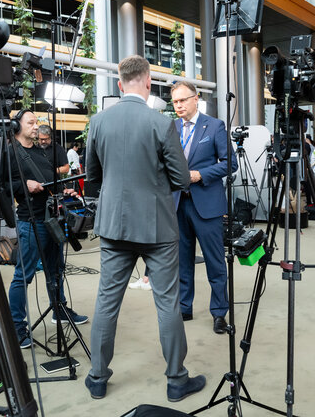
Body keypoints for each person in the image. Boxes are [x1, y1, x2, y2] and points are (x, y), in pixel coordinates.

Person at [84, 55, 204, 401]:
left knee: (107, 300)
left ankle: (97, 378)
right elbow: (182, 179)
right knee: (167, 302)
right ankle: (177, 380)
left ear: (121, 84)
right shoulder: (161, 122)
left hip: (113, 225)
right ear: (148, 82)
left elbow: (93, 177)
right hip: (155, 226)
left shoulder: (99, 121)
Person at [4, 110, 87, 349]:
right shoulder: (11, 153)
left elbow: (53, 179)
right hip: (31, 221)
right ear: (16, 126)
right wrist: (23, 185)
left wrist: (66, 192)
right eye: (30, 122)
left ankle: (59, 309)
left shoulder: (42, 151)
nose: (35, 126)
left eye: (36, 121)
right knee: (23, 276)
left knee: (56, 269)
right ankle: (17, 327)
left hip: (53, 219)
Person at [171, 81, 237, 334]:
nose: (179, 106)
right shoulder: (172, 127)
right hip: (178, 204)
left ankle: (219, 313)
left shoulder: (215, 125)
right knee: (182, 261)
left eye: (183, 100)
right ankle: (184, 307)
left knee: (214, 261)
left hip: (206, 205)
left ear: (196, 99)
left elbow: (229, 164)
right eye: (175, 102)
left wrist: (201, 174)